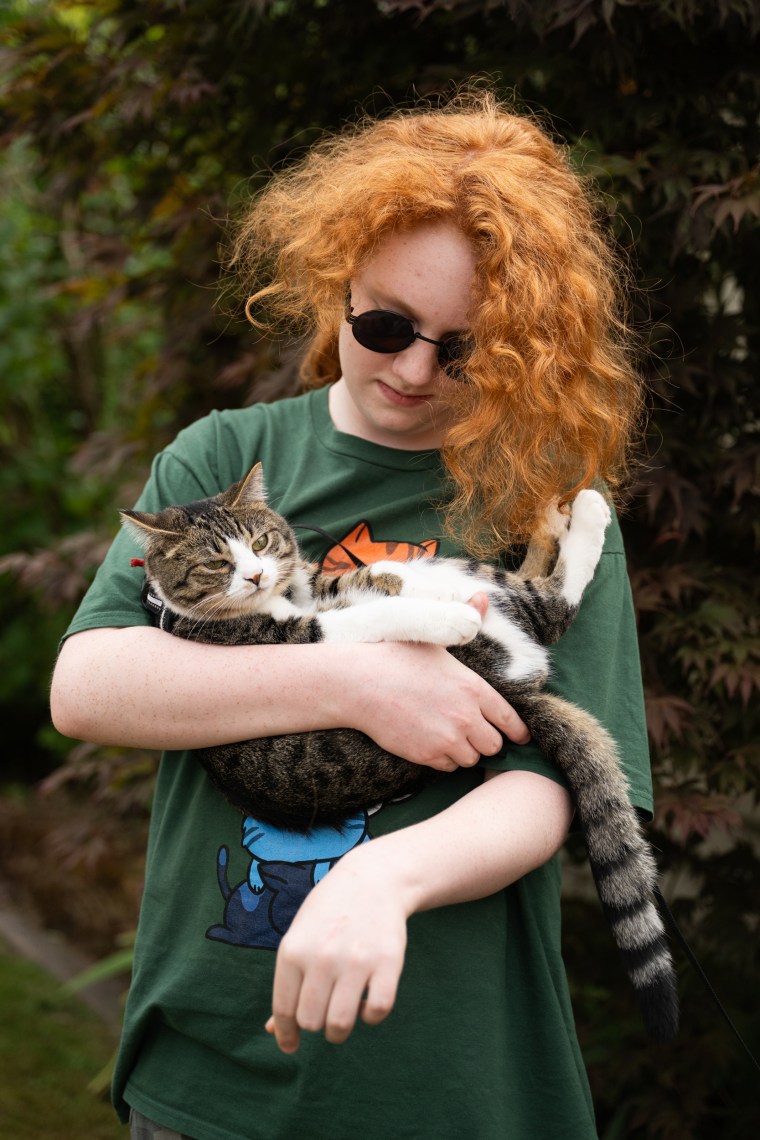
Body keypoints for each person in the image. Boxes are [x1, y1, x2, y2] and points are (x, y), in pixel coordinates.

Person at [50, 86, 652, 1140]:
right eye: (383, 325)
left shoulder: (547, 502)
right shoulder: (228, 454)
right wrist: (354, 681)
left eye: (462, 348)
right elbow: (88, 685)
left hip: (450, 1082)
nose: (413, 369)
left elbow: (550, 790)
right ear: (336, 284)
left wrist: (385, 875)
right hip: (214, 1074)